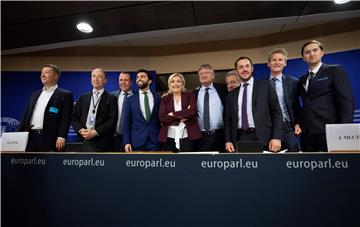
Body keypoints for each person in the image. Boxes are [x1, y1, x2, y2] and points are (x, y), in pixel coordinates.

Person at [297, 40, 355, 152]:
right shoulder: (302, 80)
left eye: (315, 50)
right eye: (307, 52)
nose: (312, 54)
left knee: (332, 165)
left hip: (329, 130)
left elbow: (346, 101)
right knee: (309, 166)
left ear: (322, 53)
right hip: (307, 132)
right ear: (303, 57)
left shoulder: (334, 71)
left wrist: (344, 128)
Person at [225, 56, 283, 153]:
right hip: (240, 137)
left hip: (264, 137)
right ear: (237, 71)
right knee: (244, 166)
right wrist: (228, 140)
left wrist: (276, 137)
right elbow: (228, 120)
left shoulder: (265, 85)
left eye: (247, 66)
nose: (244, 69)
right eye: (241, 67)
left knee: (264, 167)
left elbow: (277, 113)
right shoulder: (232, 94)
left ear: (252, 69)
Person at [18, 64, 73, 152]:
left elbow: (66, 118)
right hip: (30, 137)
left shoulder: (65, 95)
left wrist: (62, 136)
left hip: (50, 139)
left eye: (46, 72)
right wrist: (18, 136)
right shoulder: (34, 94)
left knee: (49, 165)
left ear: (56, 76)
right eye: (41, 73)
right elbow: (25, 116)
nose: (42, 75)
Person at [71, 68, 118, 152]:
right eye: (93, 76)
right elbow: (74, 117)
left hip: (102, 142)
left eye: (99, 76)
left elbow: (112, 120)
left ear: (105, 80)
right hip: (83, 140)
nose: (96, 79)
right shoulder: (83, 97)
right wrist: (81, 130)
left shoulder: (111, 98)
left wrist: (96, 132)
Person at [267, 48, 301, 152]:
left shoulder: (294, 82)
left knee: (293, 153)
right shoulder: (260, 84)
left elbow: (296, 105)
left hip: (287, 126)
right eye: (274, 60)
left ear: (285, 63)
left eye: (280, 60)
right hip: (268, 127)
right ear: (268, 63)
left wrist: (297, 123)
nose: (277, 62)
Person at [158, 73, 202, 152]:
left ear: (182, 84)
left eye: (178, 81)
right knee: (171, 162)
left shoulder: (190, 95)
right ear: (169, 85)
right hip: (169, 136)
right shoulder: (164, 99)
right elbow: (163, 118)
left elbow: (192, 112)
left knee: (186, 161)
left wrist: (173, 114)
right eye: (172, 81)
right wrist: (183, 115)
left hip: (188, 135)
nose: (175, 84)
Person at [123, 69, 161, 152]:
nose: (139, 79)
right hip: (136, 142)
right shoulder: (130, 100)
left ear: (150, 81)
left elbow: (160, 119)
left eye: (142, 77)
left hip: (154, 141)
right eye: (137, 77)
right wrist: (127, 142)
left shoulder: (158, 98)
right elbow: (126, 123)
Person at [195, 64, 228, 152]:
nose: (203, 75)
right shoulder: (194, 94)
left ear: (213, 76)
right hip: (200, 137)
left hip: (220, 135)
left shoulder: (223, 89)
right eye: (201, 74)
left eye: (206, 73)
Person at [111, 72, 134, 152]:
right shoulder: (112, 96)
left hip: (131, 139)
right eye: (121, 80)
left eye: (126, 80)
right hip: (113, 138)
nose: (123, 82)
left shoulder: (137, 97)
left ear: (131, 82)